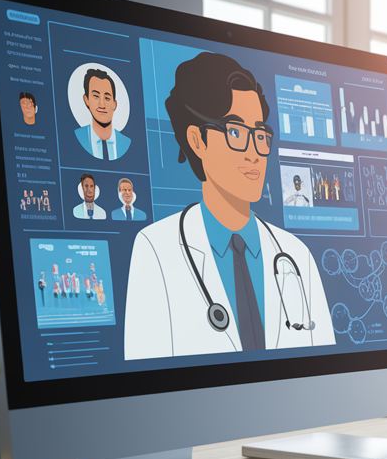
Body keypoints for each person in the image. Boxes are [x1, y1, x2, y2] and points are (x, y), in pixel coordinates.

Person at [124, 51, 336, 359]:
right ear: (197, 140)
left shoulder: (297, 255)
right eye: (236, 132)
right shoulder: (154, 249)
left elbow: (327, 381)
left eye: (260, 134)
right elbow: (141, 387)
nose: (254, 153)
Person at [73, 68, 131, 160]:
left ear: (114, 104)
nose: (102, 104)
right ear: (86, 100)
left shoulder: (125, 142)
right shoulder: (78, 137)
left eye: (107, 98)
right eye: (96, 96)